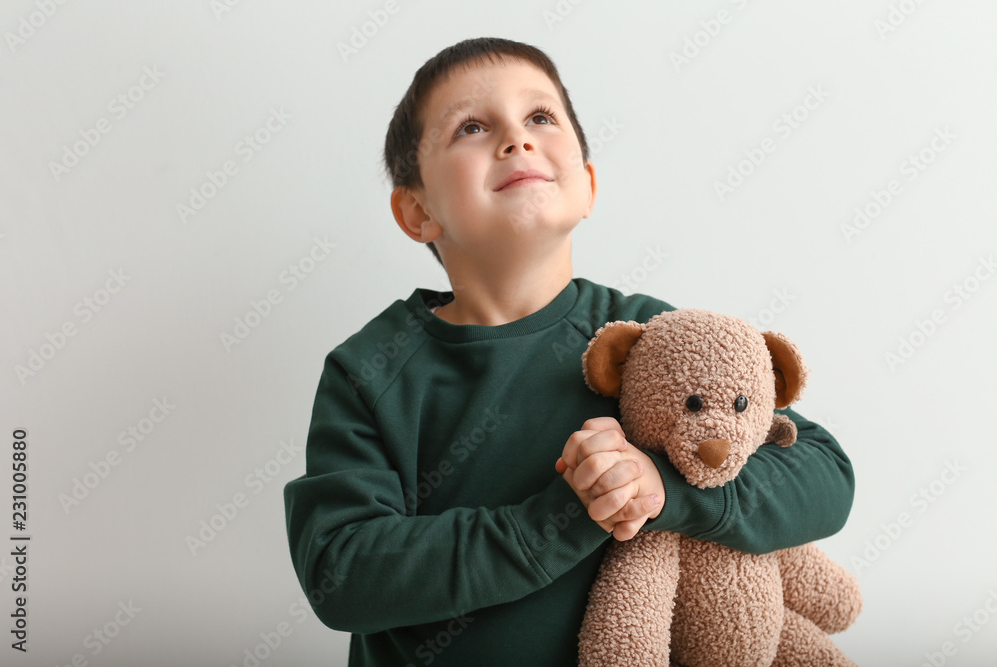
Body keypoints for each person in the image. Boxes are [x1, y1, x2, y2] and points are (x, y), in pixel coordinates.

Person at [283, 36, 854, 667]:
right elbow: (340, 573)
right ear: (417, 211)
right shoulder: (370, 370)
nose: (516, 139)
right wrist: (561, 519)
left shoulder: (648, 339)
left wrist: (660, 491)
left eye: (540, 118)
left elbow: (825, 472)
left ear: (585, 186)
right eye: (472, 126)